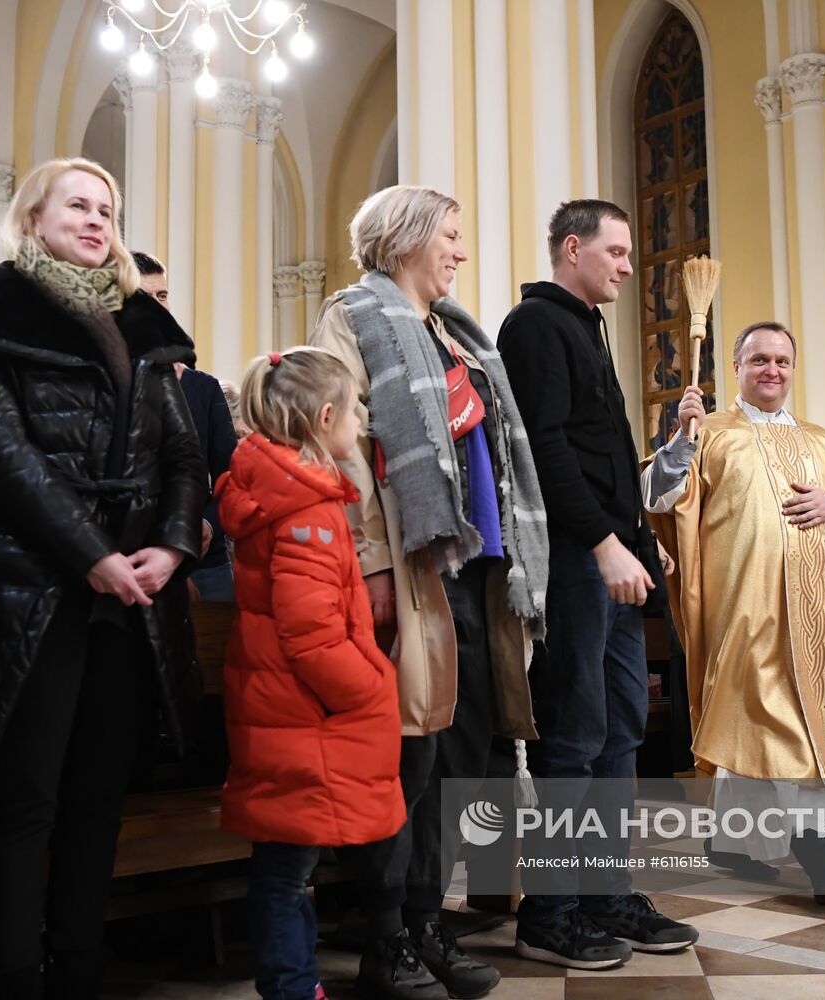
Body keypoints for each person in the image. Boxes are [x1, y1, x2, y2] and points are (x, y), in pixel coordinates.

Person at [0, 157, 205, 998]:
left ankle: (80, 965)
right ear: (34, 217)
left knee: (99, 794)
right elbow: (5, 457)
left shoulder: (140, 325)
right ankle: (15, 971)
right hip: (34, 587)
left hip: (135, 595)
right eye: (78, 205)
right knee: (27, 797)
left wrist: (169, 546)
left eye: (107, 209)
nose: (96, 220)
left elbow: (185, 458)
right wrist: (91, 555)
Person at [311, 185, 550, 997]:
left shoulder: (456, 336)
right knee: (407, 764)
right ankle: (386, 941)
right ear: (407, 236)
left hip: (478, 574)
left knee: (460, 765)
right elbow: (340, 450)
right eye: (450, 234)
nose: (460, 250)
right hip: (415, 573)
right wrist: (374, 563)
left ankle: (427, 925)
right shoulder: (354, 318)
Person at [499, 199, 697, 969]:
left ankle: (603, 894)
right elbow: (545, 451)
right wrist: (606, 543)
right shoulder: (536, 326)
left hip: (615, 555)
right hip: (579, 562)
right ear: (572, 248)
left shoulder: (587, 325)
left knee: (621, 731)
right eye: (615, 253)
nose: (626, 266)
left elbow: (607, 453)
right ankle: (548, 913)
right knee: (575, 734)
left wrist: (644, 543)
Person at [644, 322, 825, 901]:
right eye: (758, 360)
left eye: (781, 360)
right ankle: (823, 849)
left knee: (784, 721)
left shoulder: (823, 441)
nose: (771, 369)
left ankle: (732, 841)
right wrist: (680, 441)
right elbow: (655, 495)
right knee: (775, 719)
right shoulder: (711, 434)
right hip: (745, 606)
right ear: (736, 368)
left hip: (819, 610)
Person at [216, 347, 408, 1000]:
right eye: (355, 407)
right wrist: (373, 685)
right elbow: (311, 636)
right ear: (326, 417)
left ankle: (292, 984)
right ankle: (293, 989)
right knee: (287, 871)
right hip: (303, 716)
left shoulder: (279, 493)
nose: (361, 418)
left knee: (284, 865)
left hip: (279, 712)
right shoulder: (305, 513)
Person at [132, 251, 238, 600]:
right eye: (144, 297)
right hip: (137, 561)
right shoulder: (111, 386)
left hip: (207, 561)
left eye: (162, 296)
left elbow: (230, 476)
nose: (157, 307)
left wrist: (208, 524)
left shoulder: (203, 387)